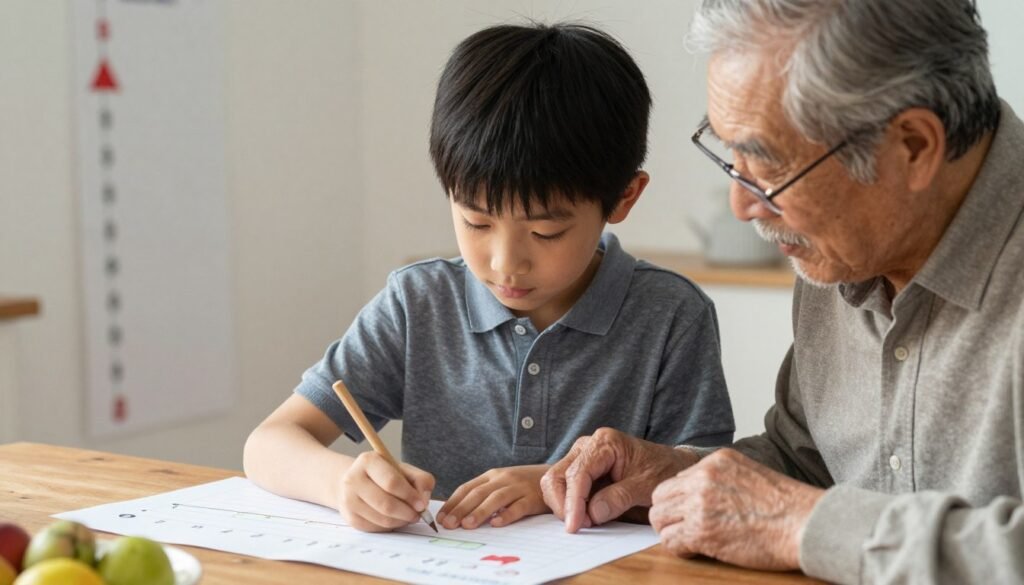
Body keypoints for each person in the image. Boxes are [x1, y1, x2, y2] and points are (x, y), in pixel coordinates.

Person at [540, 1, 1024, 583]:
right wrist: (676, 476)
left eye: (768, 168)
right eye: (730, 154)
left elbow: (806, 511)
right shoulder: (841, 250)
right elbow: (807, 462)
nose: (742, 206)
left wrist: (801, 526)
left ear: (914, 147)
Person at [244, 22, 734, 534]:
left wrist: (551, 485)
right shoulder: (420, 303)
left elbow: (706, 482)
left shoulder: (670, 314)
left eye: (546, 232)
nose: (505, 262)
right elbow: (269, 443)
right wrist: (343, 482)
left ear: (624, 198)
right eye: (476, 222)